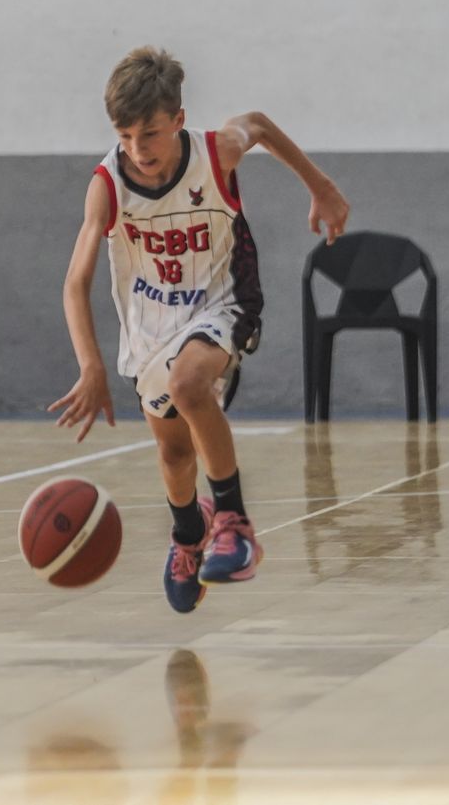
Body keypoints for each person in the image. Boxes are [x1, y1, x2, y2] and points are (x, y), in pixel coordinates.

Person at [51, 46, 349, 611]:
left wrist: (321, 186)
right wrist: (90, 365)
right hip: (150, 322)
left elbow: (257, 125)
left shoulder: (216, 154)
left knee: (190, 387)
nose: (139, 150)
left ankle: (235, 522)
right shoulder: (108, 185)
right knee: (172, 454)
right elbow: (75, 283)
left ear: (179, 121)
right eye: (126, 135)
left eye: (151, 133)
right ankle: (189, 533)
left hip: (223, 300)